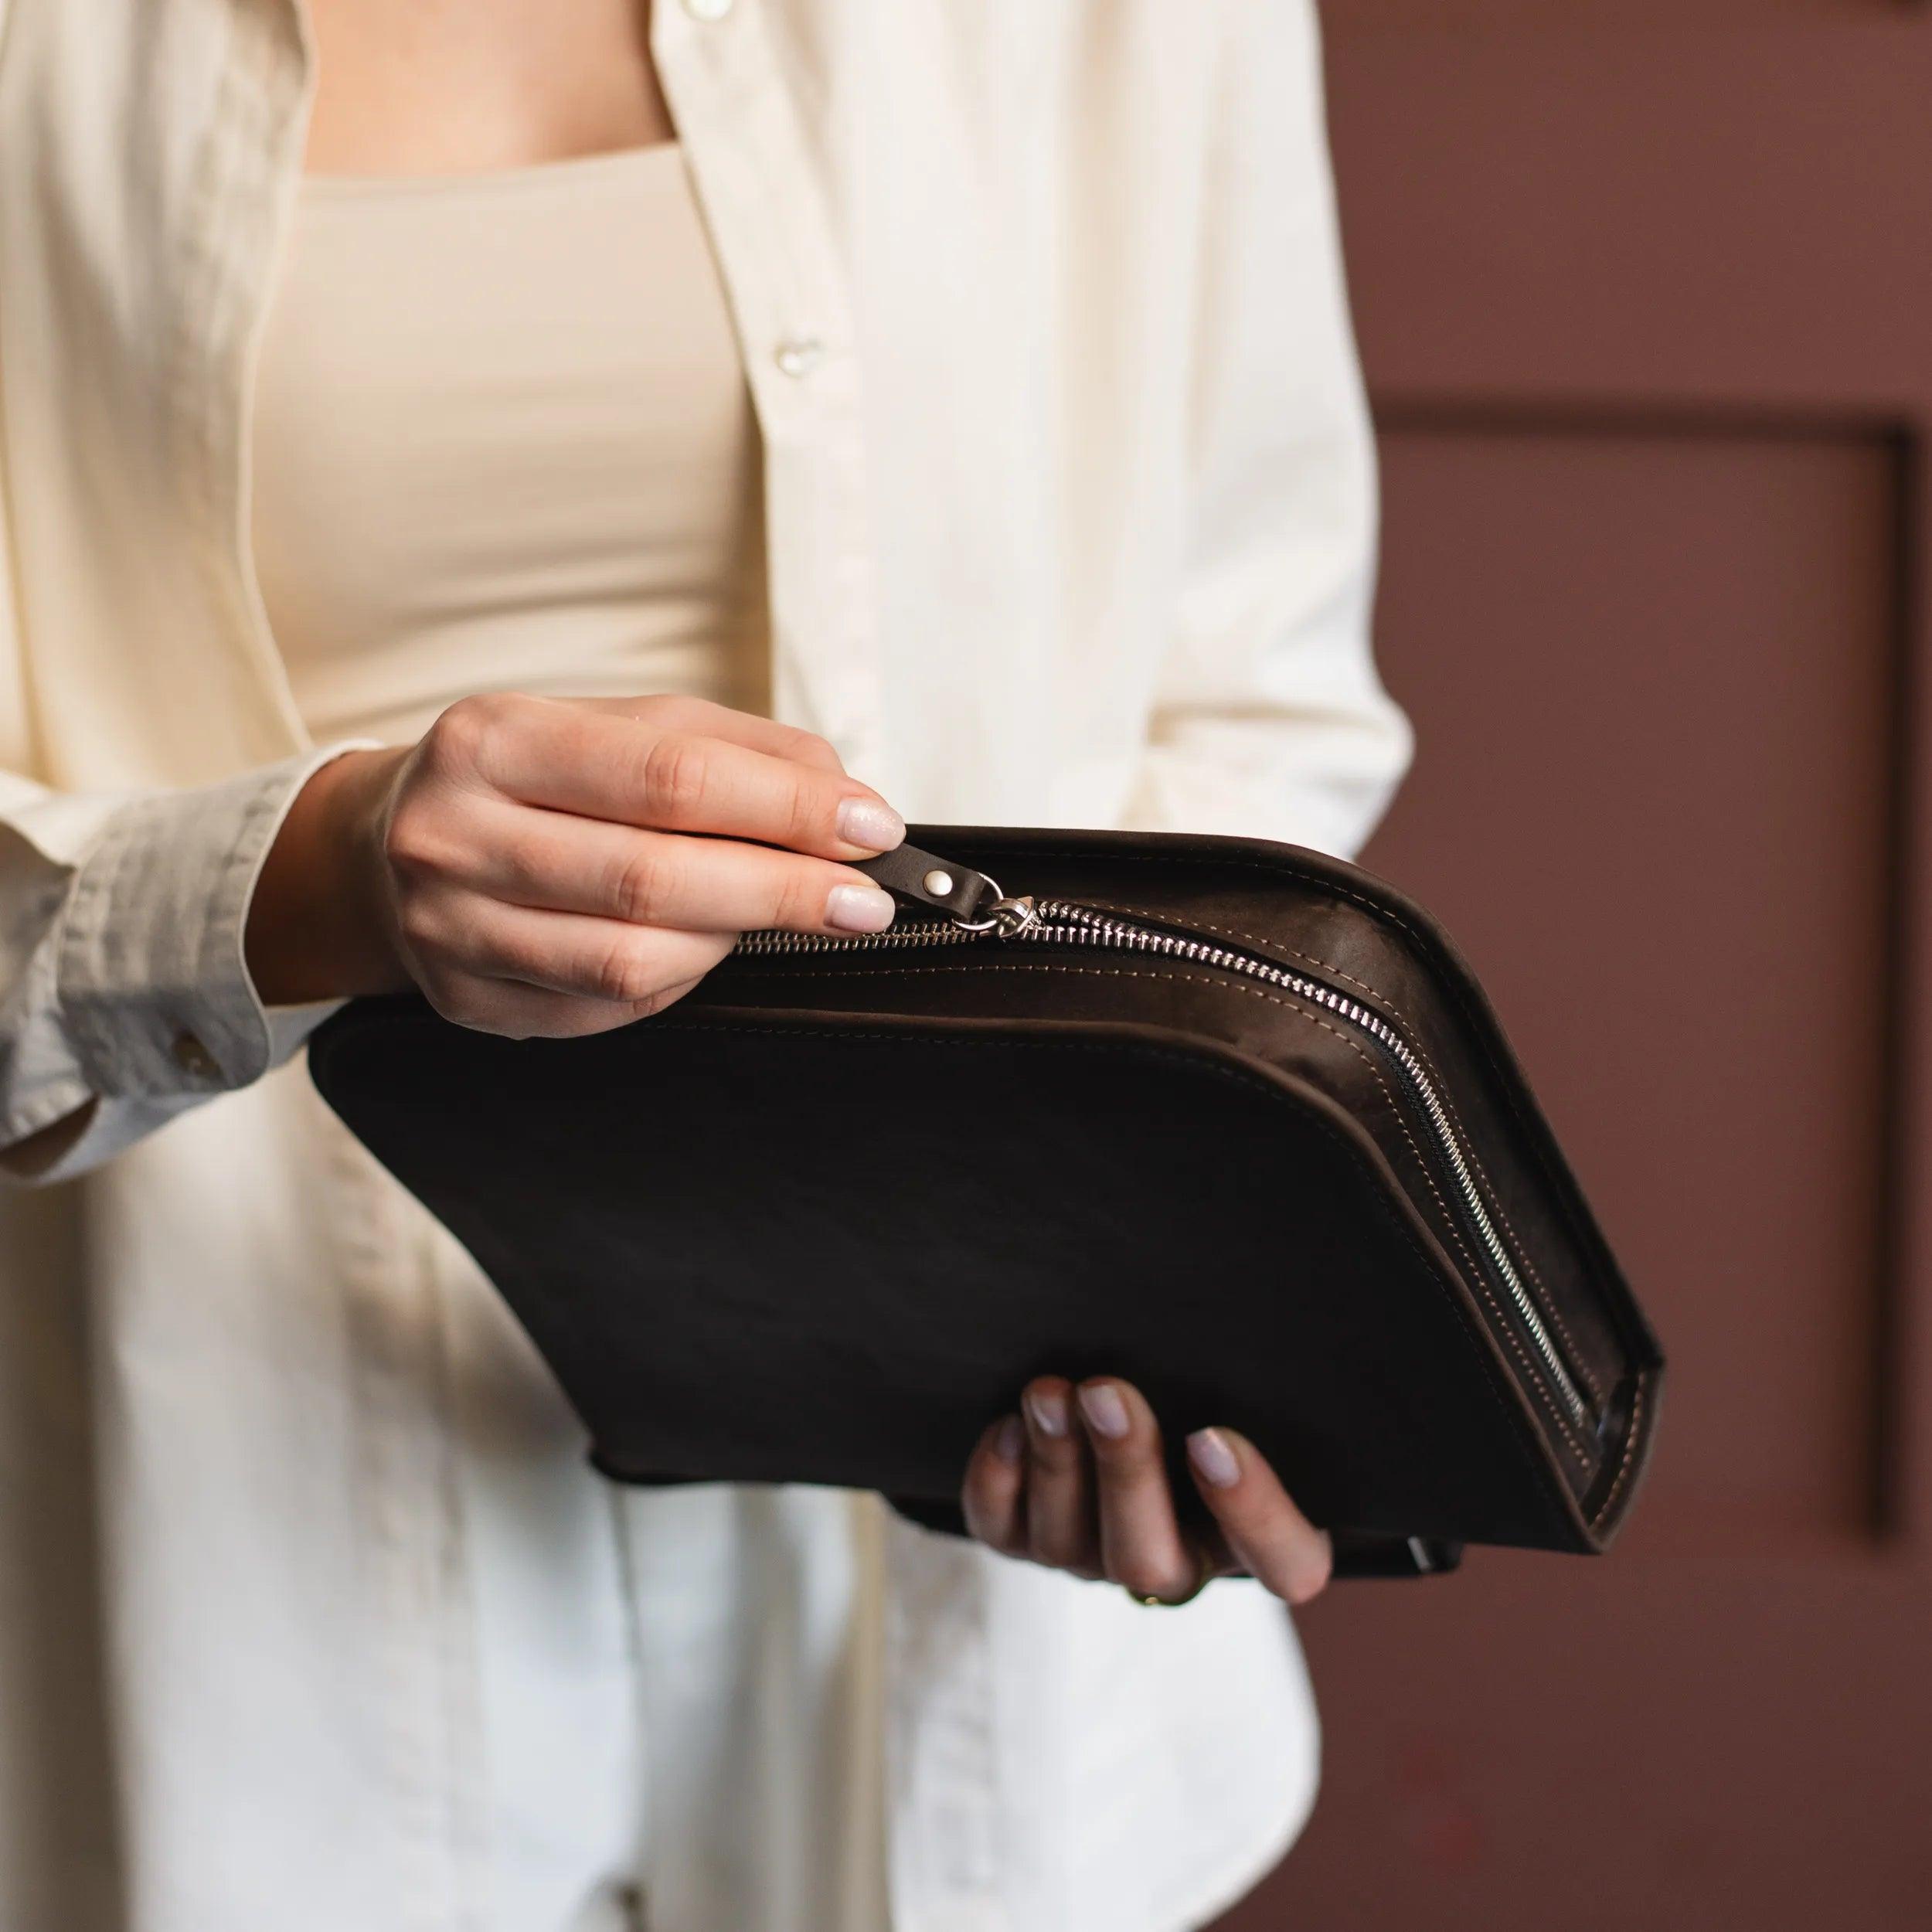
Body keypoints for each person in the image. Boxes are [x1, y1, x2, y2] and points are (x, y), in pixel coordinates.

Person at [0, 2, 1412, 1927]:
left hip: (959, 1585)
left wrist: (1156, 1265)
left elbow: (1250, 698)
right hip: (215, 1569)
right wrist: (301, 884)